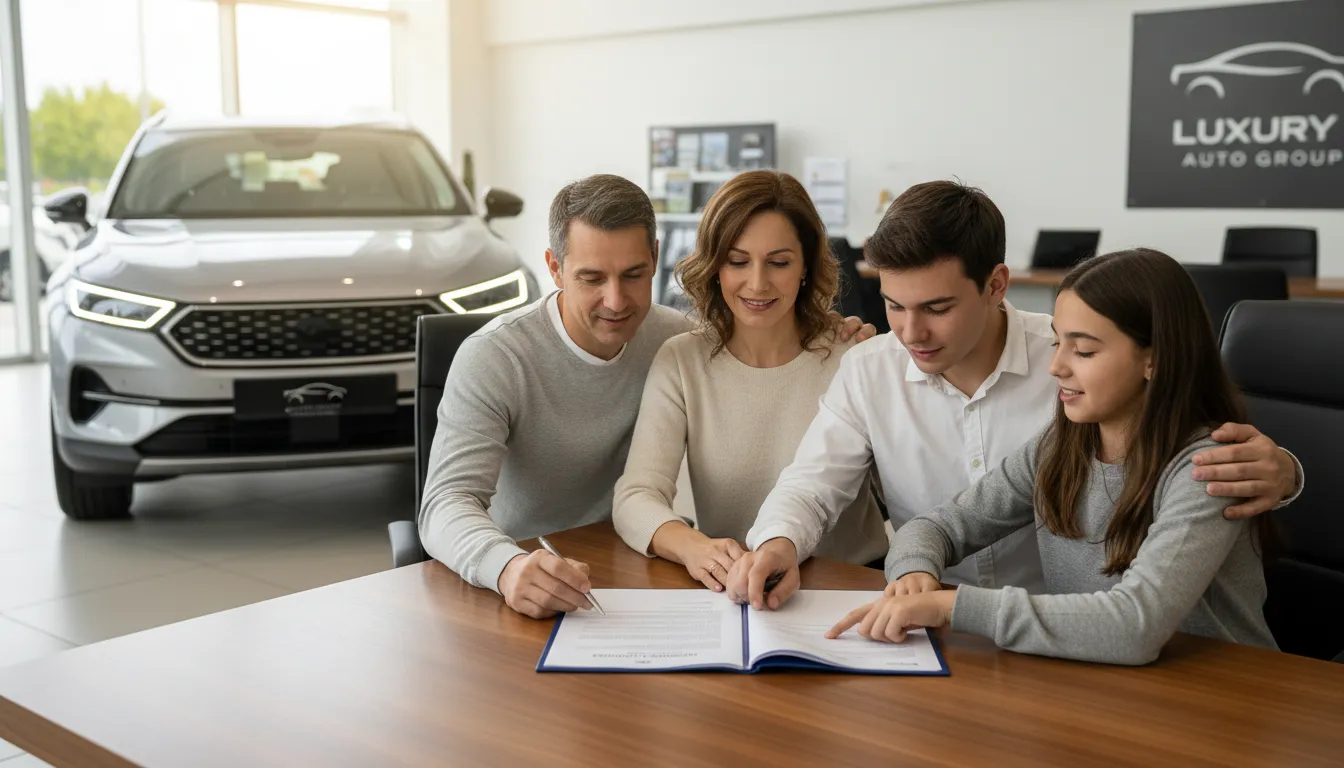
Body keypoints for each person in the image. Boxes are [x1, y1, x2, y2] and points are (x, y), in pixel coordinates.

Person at [726, 180, 1301, 610]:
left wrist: (1286, 473)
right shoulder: (868, 369)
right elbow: (813, 483)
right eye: (894, 306)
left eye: (938, 308)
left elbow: (1180, 437)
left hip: (1071, 626)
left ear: (996, 285)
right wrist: (778, 541)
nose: (909, 333)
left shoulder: (1082, 362)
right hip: (942, 617)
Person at [419, 174, 874, 619]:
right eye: (591, 277)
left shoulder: (672, 336)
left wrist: (862, 347)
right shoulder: (497, 357)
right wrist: (506, 566)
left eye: (633, 274)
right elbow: (445, 502)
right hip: (542, 569)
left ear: (655, 258)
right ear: (554, 267)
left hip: (682, 571)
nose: (616, 301)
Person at [825, 249, 1279, 664]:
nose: (1056, 366)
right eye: (1058, 342)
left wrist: (949, 606)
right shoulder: (1062, 445)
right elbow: (938, 525)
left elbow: (1134, 625)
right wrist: (914, 573)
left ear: (1153, 360)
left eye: (1083, 350)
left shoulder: (1208, 469)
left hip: (1225, 699)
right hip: (1104, 687)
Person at [612, 171, 887, 591]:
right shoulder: (682, 360)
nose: (757, 283)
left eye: (778, 262)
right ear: (714, 266)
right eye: (738, 261)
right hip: (737, 588)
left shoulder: (853, 355)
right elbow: (636, 497)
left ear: (806, 268)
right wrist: (693, 548)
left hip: (848, 588)